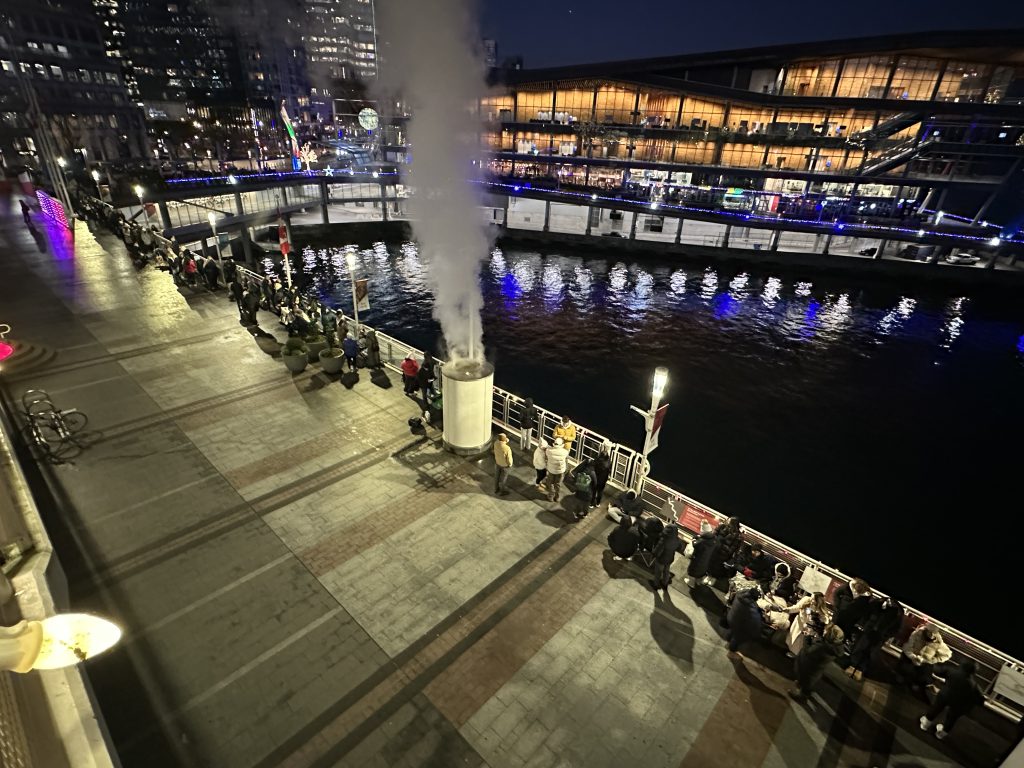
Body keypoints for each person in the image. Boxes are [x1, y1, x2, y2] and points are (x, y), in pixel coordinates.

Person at [919, 660, 984, 739]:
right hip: (958, 703)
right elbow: (980, 699)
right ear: (973, 672)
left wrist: (932, 662)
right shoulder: (974, 685)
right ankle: (941, 734)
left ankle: (925, 725)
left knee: (935, 709)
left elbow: (937, 671)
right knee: (952, 718)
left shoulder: (952, 671)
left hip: (944, 695)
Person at [846, 597, 904, 681]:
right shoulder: (879, 603)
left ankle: (860, 670)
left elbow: (896, 629)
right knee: (860, 648)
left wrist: (885, 635)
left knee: (869, 653)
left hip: (879, 635)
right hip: (869, 631)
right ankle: (852, 665)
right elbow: (868, 613)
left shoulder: (898, 612)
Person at [790, 624, 845, 701]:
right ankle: (804, 691)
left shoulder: (822, 647)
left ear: (830, 635)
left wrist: (807, 637)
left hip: (809, 666)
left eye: (826, 631)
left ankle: (801, 697)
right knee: (808, 682)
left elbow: (808, 651)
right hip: (816, 669)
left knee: (805, 681)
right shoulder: (834, 647)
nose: (824, 631)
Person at [899, 625, 952, 690]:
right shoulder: (917, 634)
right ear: (926, 630)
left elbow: (948, 654)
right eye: (929, 632)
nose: (931, 635)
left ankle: (916, 684)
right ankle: (903, 678)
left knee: (926, 670)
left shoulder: (938, 642)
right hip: (911, 658)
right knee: (906, 666)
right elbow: (907, 648)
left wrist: (932, 660)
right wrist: (913, 657)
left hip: (924, 662)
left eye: (933, 633)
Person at [782, 592, 831, 657]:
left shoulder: (820, 611)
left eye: (813, 599)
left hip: (808, 628)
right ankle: (790, 649)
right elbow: (797, 608)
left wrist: (813, 623)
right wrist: (788, 610)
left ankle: (795, 654)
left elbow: (823, 621)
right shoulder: (807, 601)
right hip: (799, 623)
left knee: (799, 643)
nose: (811, 599)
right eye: (811, 597)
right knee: (792, 637)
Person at [726, 588, 765, 659]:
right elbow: (755, 622)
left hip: (732, 617)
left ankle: (728, 640)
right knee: (738, 637)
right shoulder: (750, 608)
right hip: (738, 624)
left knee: (732, 630)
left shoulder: (740, 594)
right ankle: (731, 652)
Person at [685, 520, 719, 587]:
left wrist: (694, 539)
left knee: (694, 569)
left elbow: (695, 544)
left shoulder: (703, 541)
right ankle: (698, 582)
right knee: (701, 570)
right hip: (706, 559)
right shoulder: (714, 539)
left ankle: (691, 583)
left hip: (698, 559)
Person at [650, 524, 682, 592]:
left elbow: (658, 550)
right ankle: (665, 584)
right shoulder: (678, 540)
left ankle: (656, 585)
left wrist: (654, 554)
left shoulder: (664, 539)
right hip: (669, 559)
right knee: (666, 571)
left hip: (661, 559)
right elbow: (680, 548)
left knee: (658, 572)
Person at [544, 437, 569, 502]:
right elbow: (566, 461)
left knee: (550, 483)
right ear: (562, 445)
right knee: (558, 484)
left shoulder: (548, 451)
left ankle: (551, 496)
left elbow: (546, 458)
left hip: (551, 470)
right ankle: (557, 497)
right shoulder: (565, 452)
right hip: (560, 472)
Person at [591, 443, 612, 509]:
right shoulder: (608, 462)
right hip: (603, 480)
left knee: (593, 491)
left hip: (595, 478)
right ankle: (598, 503)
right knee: (600, 492)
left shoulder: (597, 460)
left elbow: (593, 466)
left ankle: (591, 504)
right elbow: (609, 470)